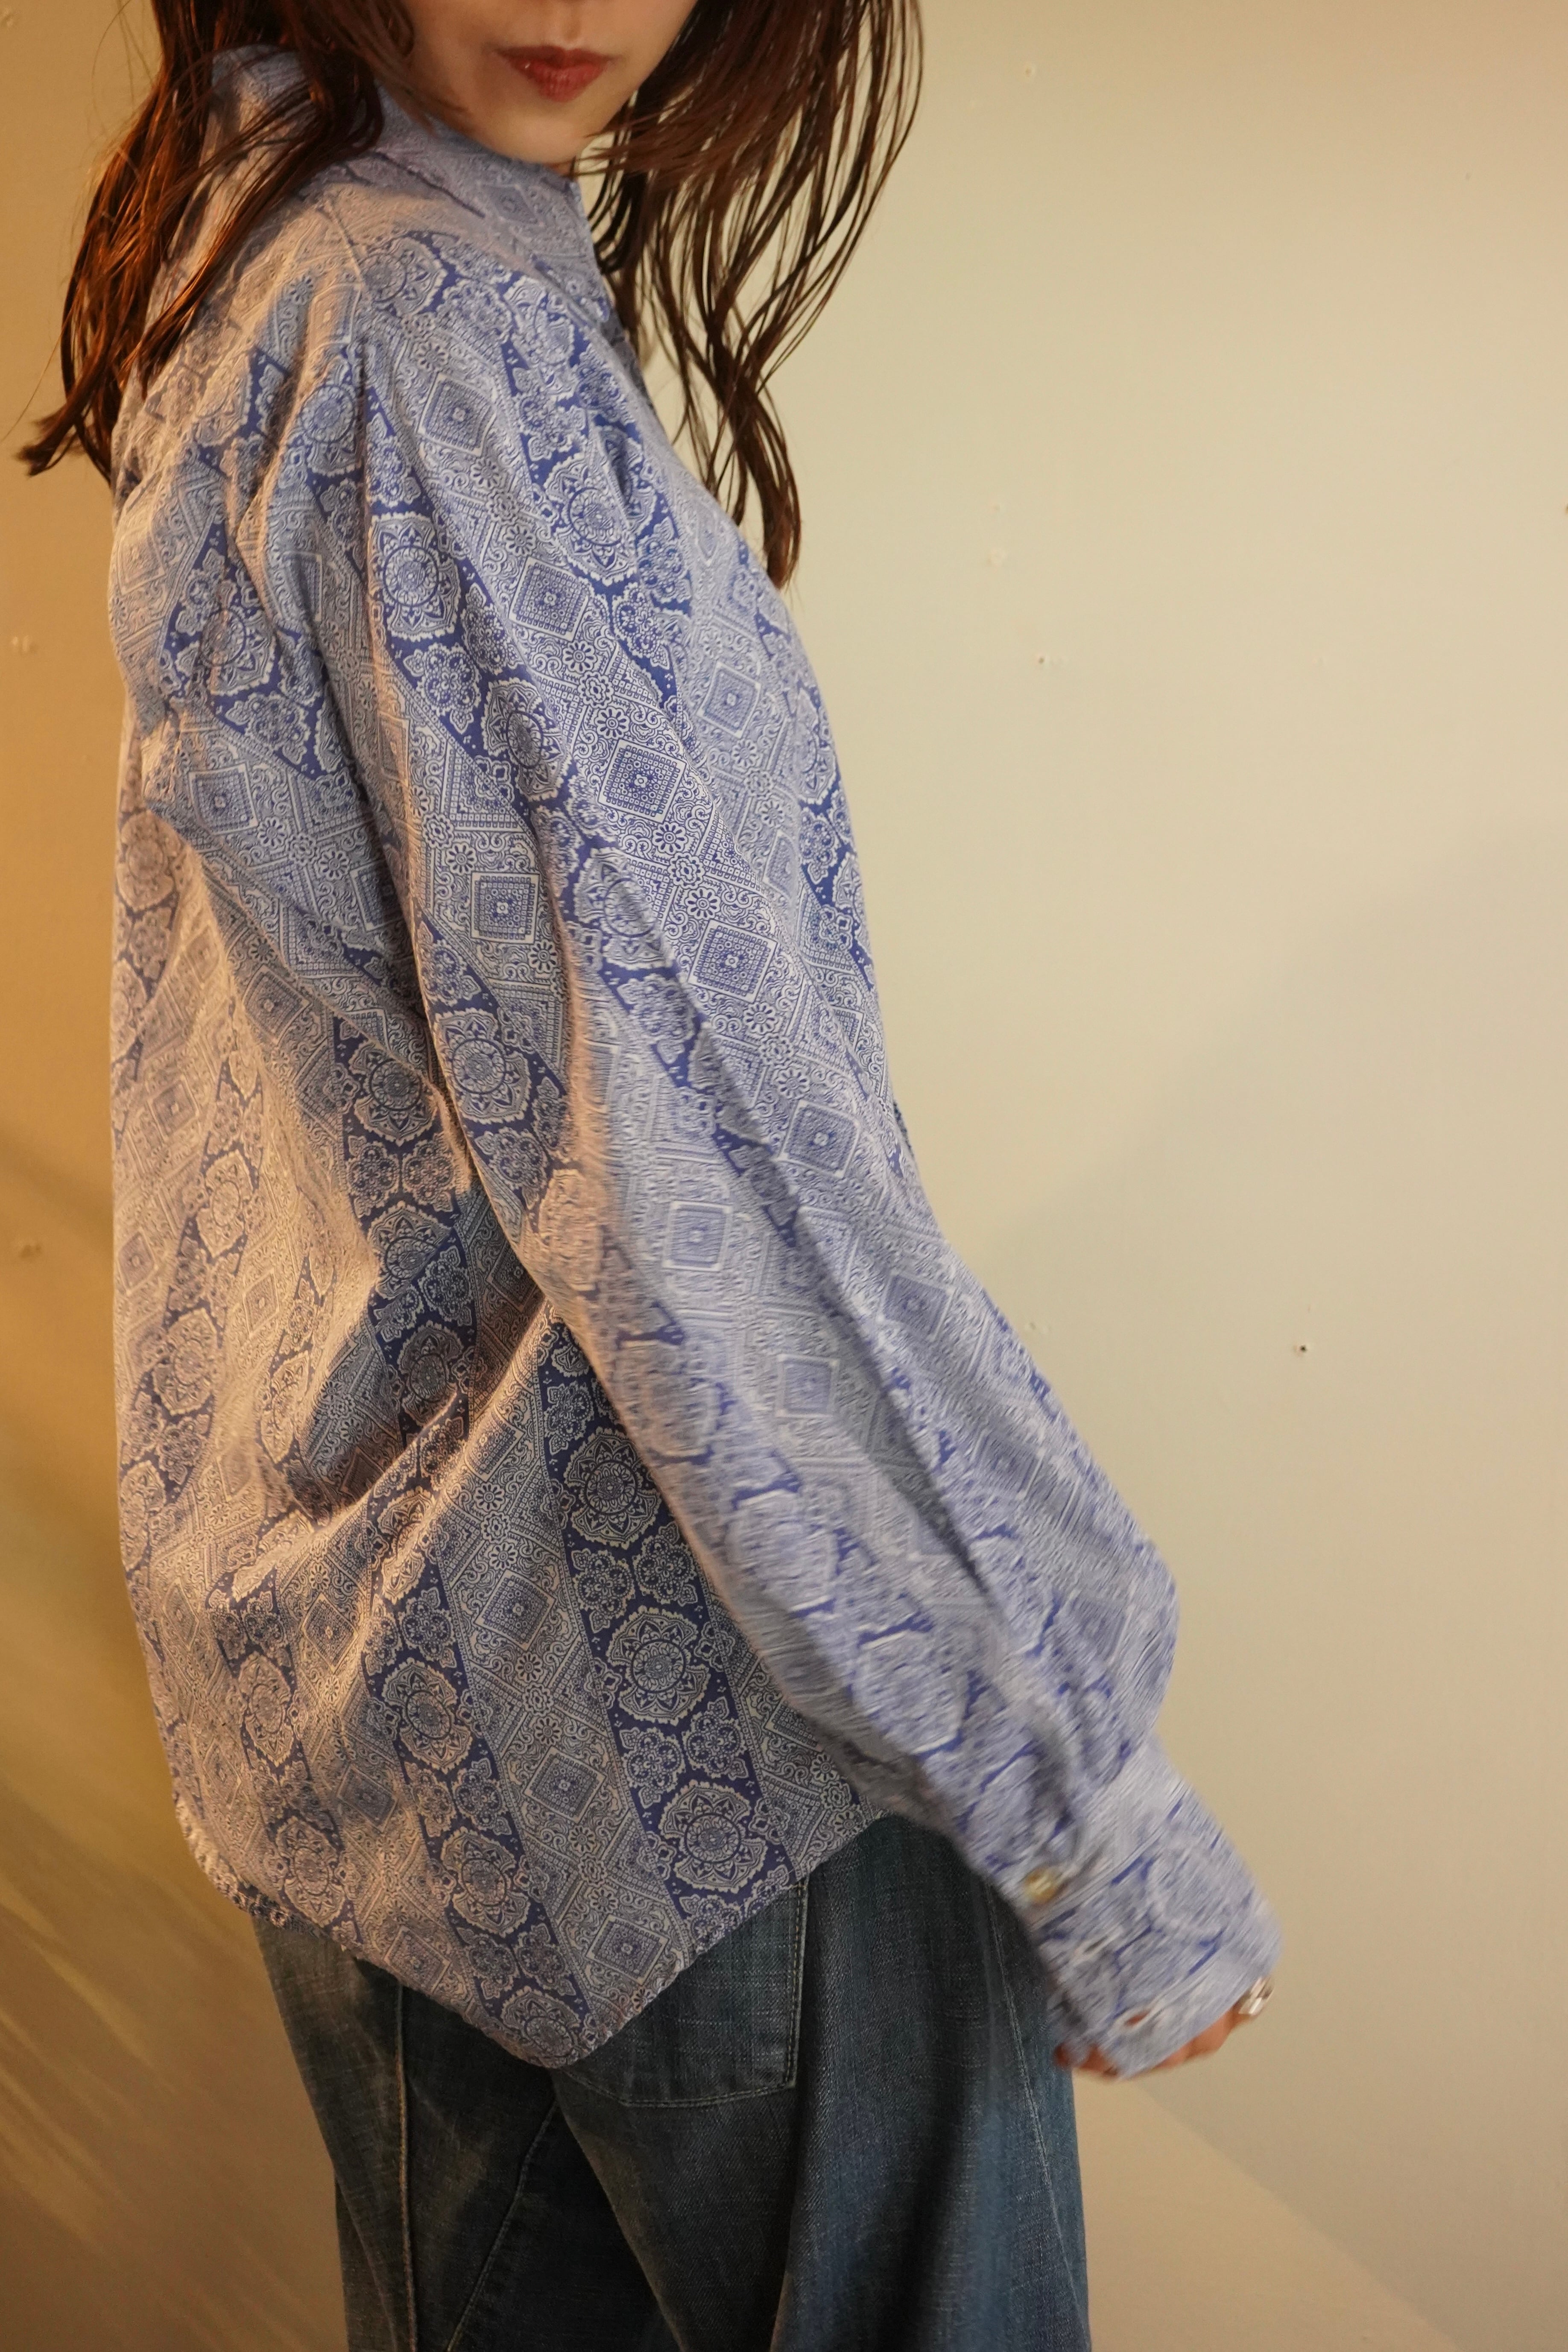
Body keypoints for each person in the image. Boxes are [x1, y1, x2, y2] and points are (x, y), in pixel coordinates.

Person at [26, 4, 1281, 2344]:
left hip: (382, 1711)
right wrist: (1075, 1800)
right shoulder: (422, 322)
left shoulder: (273, 242)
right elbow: (688, 1144)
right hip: (666, 1712)